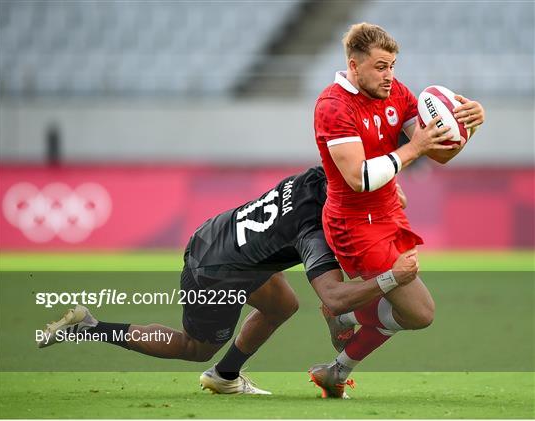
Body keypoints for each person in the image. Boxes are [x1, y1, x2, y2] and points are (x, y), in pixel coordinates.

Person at [37, 167, 418, 396]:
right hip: (215, 271)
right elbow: (333, 298)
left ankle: (225, 376)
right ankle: (90, 327)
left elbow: (357, 168)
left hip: (225, 239)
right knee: (195, 346)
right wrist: (391, 278)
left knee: (284, 305)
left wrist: (385, 189)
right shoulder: (313, 230)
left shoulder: (319, 177)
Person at [310, 23, 485, 398]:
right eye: (380, 67)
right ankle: (341, 313)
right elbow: (358, 178)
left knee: (410, 313)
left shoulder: (398, 94)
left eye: (392, 65)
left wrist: (467, 126)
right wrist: (414, 148)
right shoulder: (333, 106)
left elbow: (438, 153)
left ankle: (336, 370)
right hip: (353, 224)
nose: (390, 75)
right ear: (354, 67)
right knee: (419, 313)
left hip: (390, 214)